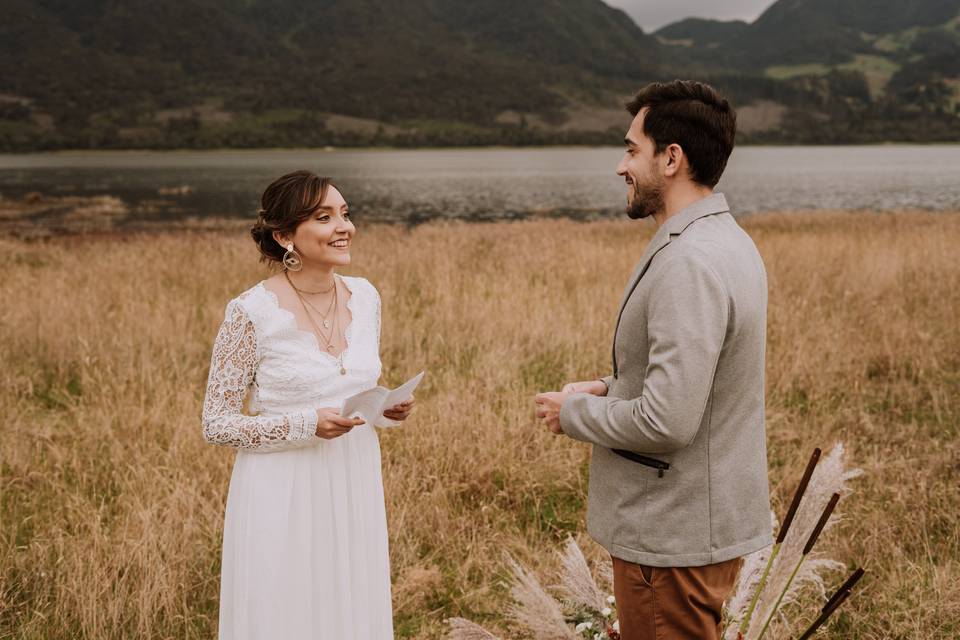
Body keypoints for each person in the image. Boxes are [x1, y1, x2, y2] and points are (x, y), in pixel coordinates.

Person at [534, 80, 771, 640]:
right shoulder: (725, 238)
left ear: (671, 159)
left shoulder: (688, 259)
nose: (622, 165)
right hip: (695, 525)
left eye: (631, 149)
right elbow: (695, 377)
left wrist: (571, 414)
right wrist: (606, 386)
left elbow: (668, 419)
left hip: (673, 533)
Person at [201, 170, 414, 639]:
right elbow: (216, 423)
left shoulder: (367, 296)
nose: (344, 226)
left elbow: (355, 386)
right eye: (324, 217)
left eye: (345, 213)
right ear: (284, 236)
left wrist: (385, 408)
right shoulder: (250, 312)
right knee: (287, 610)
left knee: (349, 604)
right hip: (283, 488)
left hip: (353, 475)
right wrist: (303, 425)